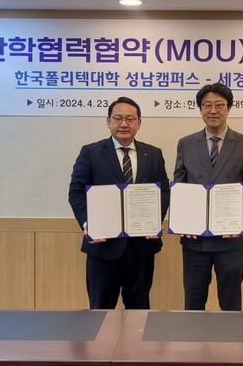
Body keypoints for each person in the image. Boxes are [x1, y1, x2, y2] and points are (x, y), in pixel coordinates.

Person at [68, 97, 170, 309]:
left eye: (130, 119)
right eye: (118, 118)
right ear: (108, 121)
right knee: (100, 311)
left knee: (139, 311)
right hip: (103, 247)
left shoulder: (153, 154)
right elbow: (76, 191)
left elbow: (163, 191)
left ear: (139, 122)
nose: (124, 124)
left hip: (141, 248)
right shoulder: (91, 152)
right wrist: (87, 223)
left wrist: (156, 219)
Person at [174, 83, 243, 311]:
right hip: (195, 239)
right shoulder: (185, 143)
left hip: (231, 239)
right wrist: (182, 220)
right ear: (200, 109)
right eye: (207, 105)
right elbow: (180, 187)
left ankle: (231, 337)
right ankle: (193, 335)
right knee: (193, 302)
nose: (213, 110)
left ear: (228, 108)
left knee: (231, 303)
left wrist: (240, 219)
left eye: (219, 105)